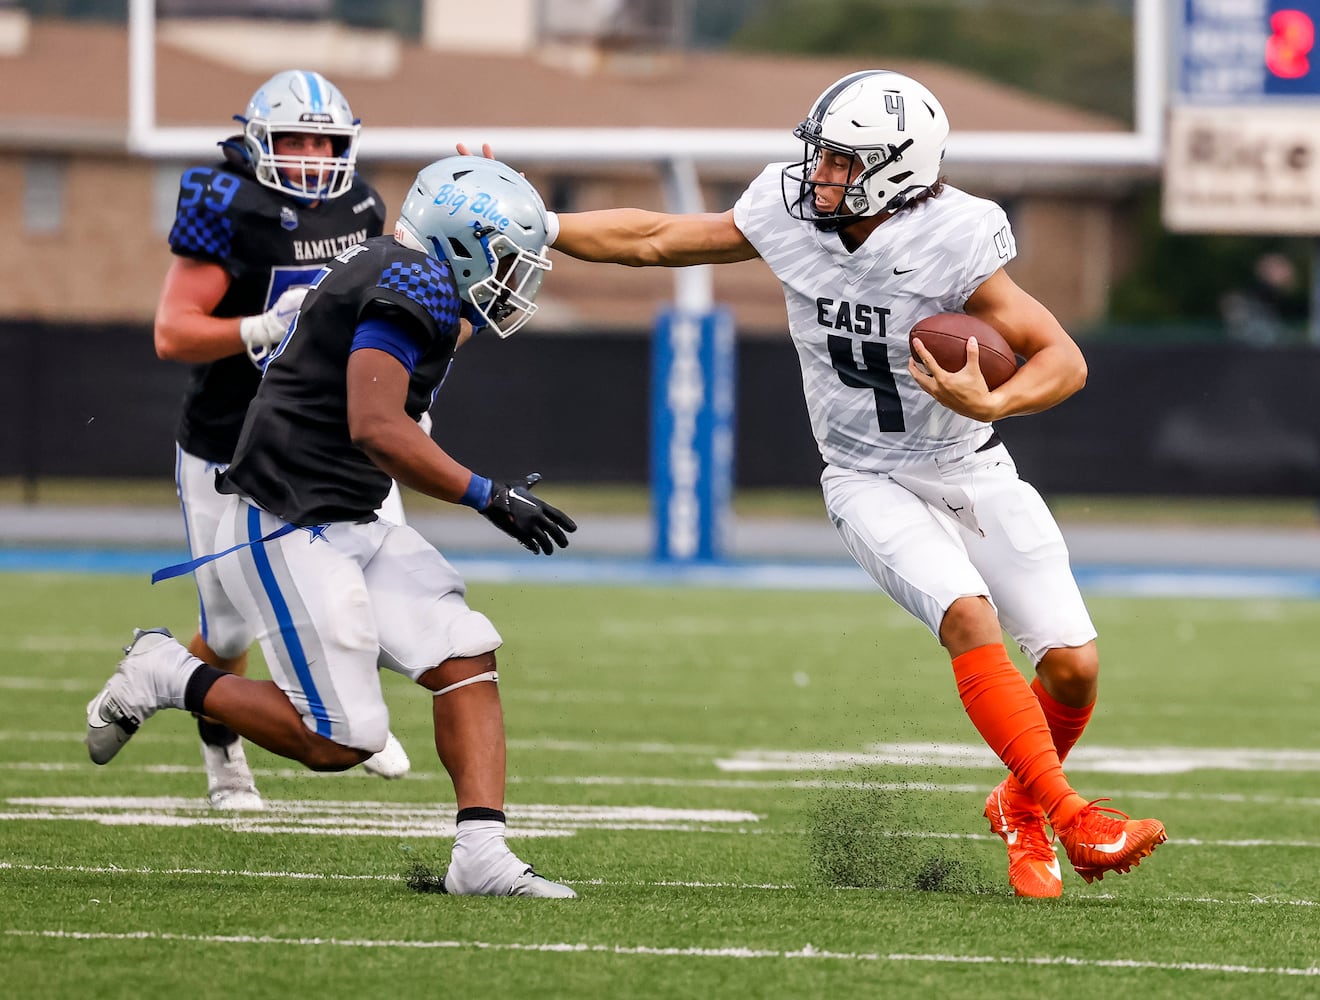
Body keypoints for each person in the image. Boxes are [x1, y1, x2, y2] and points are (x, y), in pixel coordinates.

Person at [546, 70, 1166, 898]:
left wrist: (998, 398)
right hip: (865, 475)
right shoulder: (787, 212)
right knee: (966, 615)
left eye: (842, 160)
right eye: (821, 154)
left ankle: (1019, 805)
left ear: (899, 168)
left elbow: (1065, 359)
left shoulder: (956, 235)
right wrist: (543, 224)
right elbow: (658, 235)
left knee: (1075, 669)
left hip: (968, 464)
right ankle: (1073, 816)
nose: (819, 174)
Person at [88, 155, 580, 898]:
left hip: (350, 511)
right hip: (289, 520)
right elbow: (377, 426)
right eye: (506, 260)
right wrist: (489, 496)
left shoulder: (412, 273)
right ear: (461, 244)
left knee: (464, 652)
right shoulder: (409, 280)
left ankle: (480, 856)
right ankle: (169, 672)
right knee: (341, 738)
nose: (516, 281)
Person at [153, 69, 411, 809]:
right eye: (293, 138)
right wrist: (260, 328)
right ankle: (220, 747)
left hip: (328, 435)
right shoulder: (225, 201)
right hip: (228, 444)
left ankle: (356, 705)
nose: (308, 154)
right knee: (227, 627)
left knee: (381, 579)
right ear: (259, 141)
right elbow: (172, 333)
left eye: (322, 140)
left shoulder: (362, 203)